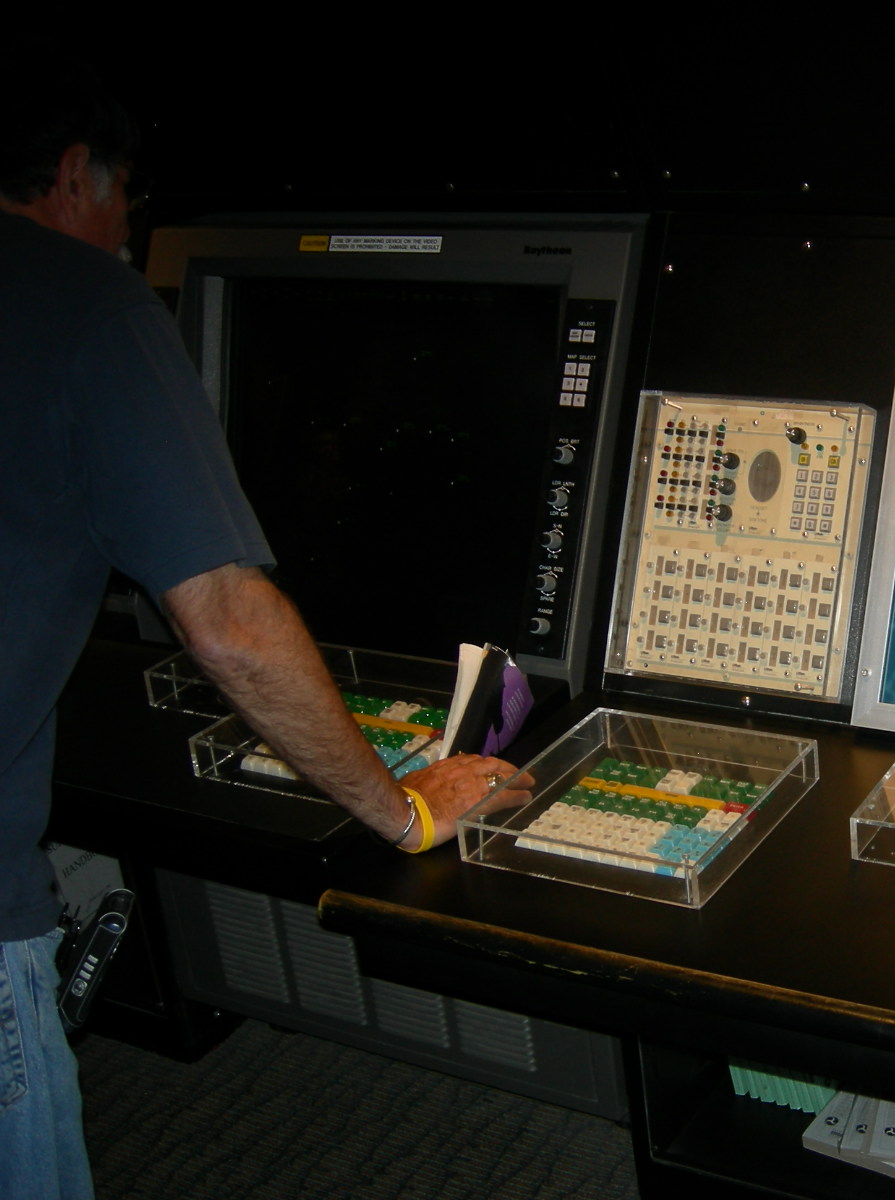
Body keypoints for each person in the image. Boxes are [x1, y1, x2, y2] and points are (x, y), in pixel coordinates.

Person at [1, 55, 528, 1199]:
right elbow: (232, 626)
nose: (129, 230)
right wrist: (403, 811)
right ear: (80, 173)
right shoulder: (90, 304)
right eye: (129, 197)